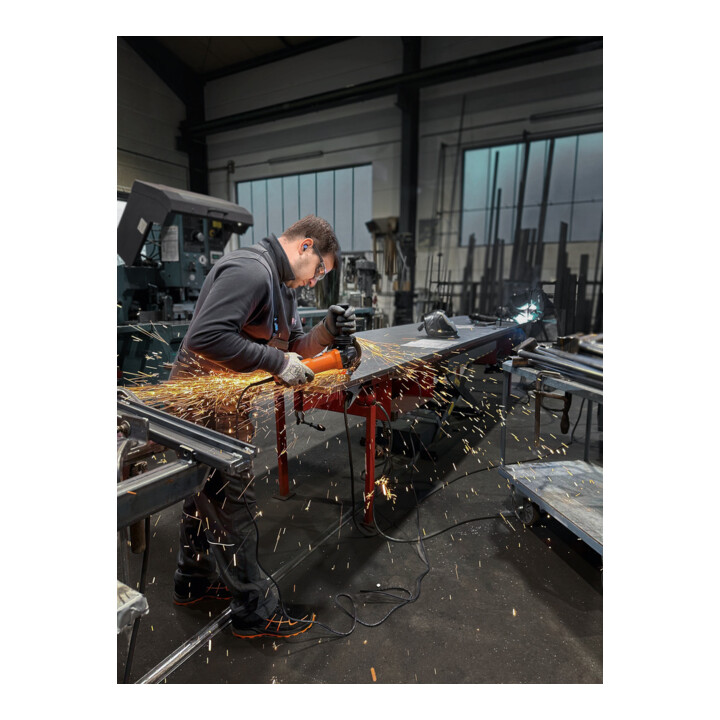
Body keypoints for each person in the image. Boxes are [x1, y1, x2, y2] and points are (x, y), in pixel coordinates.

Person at [169, 215, 356, 639]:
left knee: (205, 494)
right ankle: (254, 611)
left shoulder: (283, 287)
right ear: (305, 246)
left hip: (227, 402)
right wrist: (276, 362)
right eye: (319, 270)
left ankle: (192, 580)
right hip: (203, 403)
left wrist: (326, 331)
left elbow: (292, 348)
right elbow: (205, 337)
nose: (314, 281)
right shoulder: (251, 271)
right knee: (233, 500)